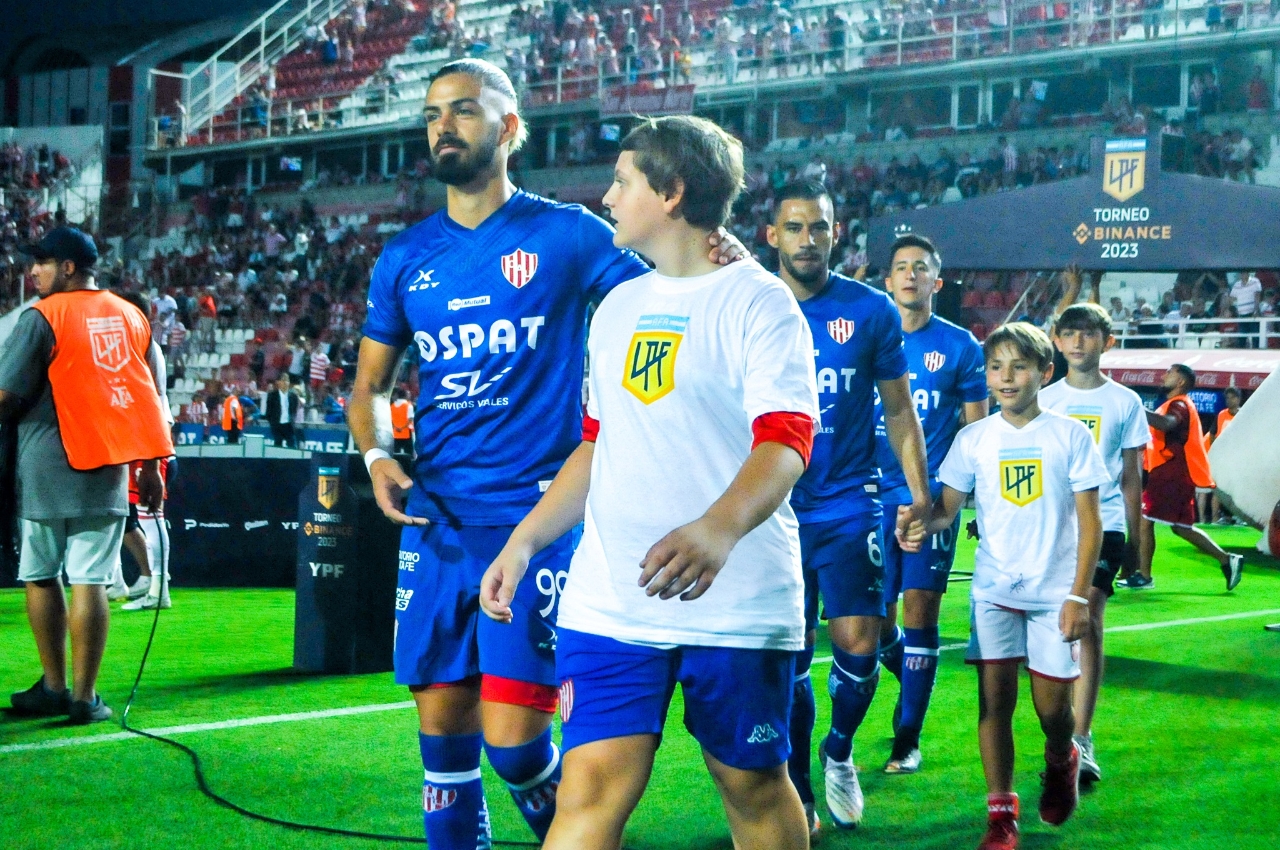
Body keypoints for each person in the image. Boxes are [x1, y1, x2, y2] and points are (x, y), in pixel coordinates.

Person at [347, 60, 745, 850]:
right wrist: (377, 456)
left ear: (509, 128)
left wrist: (713, 258)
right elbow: (367, 388)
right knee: (442, 743)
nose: (443, 126)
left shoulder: (568, 234)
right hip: (438, 522)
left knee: (515, 746)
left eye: (464, 110)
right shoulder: (405, 257)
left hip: (538, 515)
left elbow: (664, 294)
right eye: (432, 114)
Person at [480, 114, 816, 850]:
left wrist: (717, 529)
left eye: (623, 181)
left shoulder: (760, 302)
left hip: (734, 601)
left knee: (752, 786)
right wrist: (523, 542)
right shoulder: (617, 308)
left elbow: (788, 442)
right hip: (610, 600)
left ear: (672, 193)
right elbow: (596, 446)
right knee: (587, 792)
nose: (607, 197)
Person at [900, 322, 1110, 850]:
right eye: (996, 367)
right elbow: (946, 511)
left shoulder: (1070, 436)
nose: (1006, 377)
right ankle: (1001, 815)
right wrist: (921, 521)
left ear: (1045, 372)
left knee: (1052, 711)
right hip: (994, 590)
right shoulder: (972, 439)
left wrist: (1079, 595)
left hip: (1054, 595)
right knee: (994, 703)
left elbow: (1092, 523)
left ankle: (1062, 756)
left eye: (1019, 366)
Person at [763, 183, 931, 837]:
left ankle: (838, 750)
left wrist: (918, 494)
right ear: (772, 235)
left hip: (848, 501)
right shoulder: (749, 304)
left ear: (836, 234)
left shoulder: (869, 310)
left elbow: (899, 409)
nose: (808, 240)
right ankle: (799, 787)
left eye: (820, 227)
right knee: (789, 655)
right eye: (795, 227)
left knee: (860, 645)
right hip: (772, 508)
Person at [1, 227, 172, 724]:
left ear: (68, 267)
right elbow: (149, 399)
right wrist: (152, 467)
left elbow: (6, 395)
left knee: (40, 575)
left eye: (41, 263)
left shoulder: (43, 316)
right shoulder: (132, 316)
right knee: (91, 579)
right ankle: (84, 697)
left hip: (45, 465)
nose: (33, 272)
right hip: (109, 466)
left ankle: (54, 687)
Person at [872, 233, 988, 777]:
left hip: (931, 500)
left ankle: (907, 738)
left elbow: (976, 432)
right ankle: (912, 676)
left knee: (919, 611)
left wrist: (965, 501)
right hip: (868, 496)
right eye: (901, 267)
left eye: (921, 267)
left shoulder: (961, 346)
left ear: (936, 282)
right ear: (887, 281)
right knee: (873, 626)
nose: (911, 275)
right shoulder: (870, 336)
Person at [1039, 303, 1149, 784]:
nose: (1078, 341)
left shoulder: (1125, 402)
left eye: (1088, 333)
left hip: (1104, 524)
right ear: (1057, 341)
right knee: (1054, 628)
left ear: (1108, 341)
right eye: (1070, 333)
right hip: (1053, 526)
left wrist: (1134, 540)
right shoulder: (1045, 398)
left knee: (1089, 619)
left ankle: (1081, 739)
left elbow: (1131, 477)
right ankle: (1060, 736)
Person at [1128, 364, 1243, 590]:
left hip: (1172, 473)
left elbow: (1167, 423)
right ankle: (1226, 559)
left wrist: (1136, 408)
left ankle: (1144, 576)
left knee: (1145, 519)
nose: (1164, 375)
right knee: (1180, 527)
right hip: (1175, 473)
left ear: (1181, 381)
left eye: (1170, 372)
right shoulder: (1176, 404)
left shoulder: (1179, 404)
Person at [1210, 387, 1243, 524]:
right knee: (1219, 488)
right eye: (1227, 398)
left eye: (1232, 397)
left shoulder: (1244, 414)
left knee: (1239, 489)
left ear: (1239, 399)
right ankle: (1215, 518)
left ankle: (1240, 517)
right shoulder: (1221, 414)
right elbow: (1212, 433)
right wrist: (1214, 449)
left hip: (1238, 458)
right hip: (1223, 458)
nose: (1229, 400)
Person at [265, 375, 299, 447]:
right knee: (278, 445)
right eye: (283, 380)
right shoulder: (272, 396)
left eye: (287, 380)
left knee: (292, 445)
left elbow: (294, 411)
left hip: (289, 426)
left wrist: (292, 420)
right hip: (277, 425)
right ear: (279, 382)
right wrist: (273, 423)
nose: (285, 382)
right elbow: (268, 412)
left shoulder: (293, 396)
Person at [390, 387, 414, 456]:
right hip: (407, 433)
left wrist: (396, 427)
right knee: (409, 453)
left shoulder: (392, 406)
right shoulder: (408, 405)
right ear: (405, 396)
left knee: (395, 453)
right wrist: (402, 428)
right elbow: (410, 419)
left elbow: (391, 419)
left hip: (395, 433)